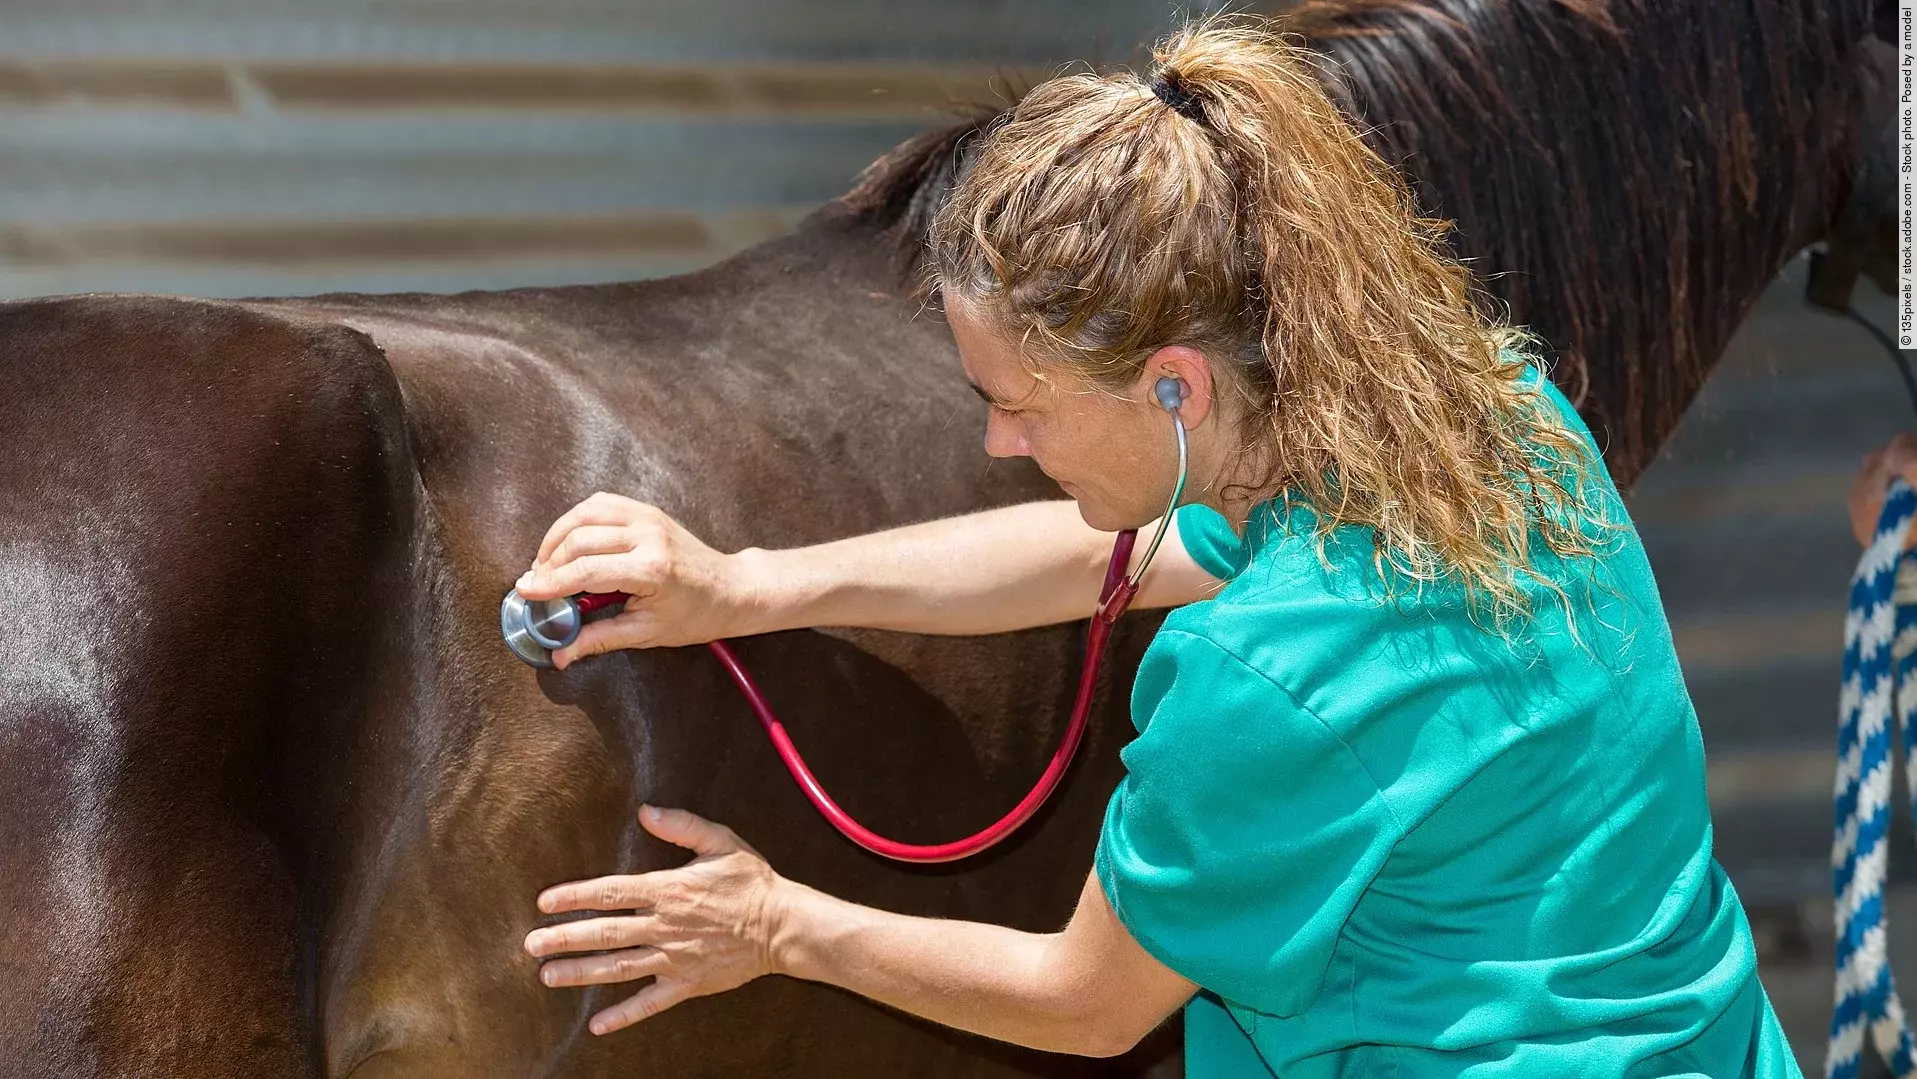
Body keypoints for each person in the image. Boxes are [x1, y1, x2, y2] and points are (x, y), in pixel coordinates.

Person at [514, 13, 1801, 1077]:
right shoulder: (1498, 414)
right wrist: (747, 584)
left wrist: (775, 924)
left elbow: (1085, 999)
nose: (1005, 443)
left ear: (1175, 385)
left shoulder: (1264, 678)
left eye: (1014, 402)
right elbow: (1098, 560)